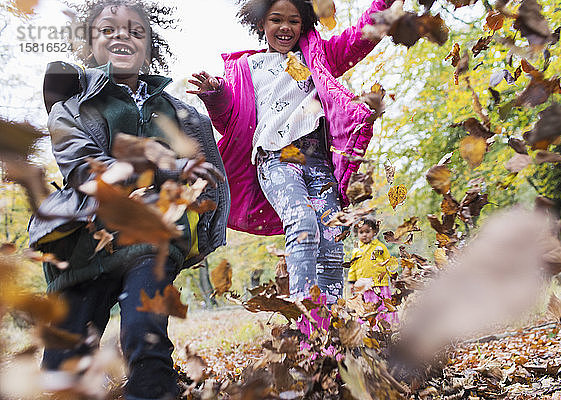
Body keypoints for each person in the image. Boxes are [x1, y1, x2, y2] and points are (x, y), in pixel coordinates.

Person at [27, 1, 230, 399]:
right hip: (83, 243)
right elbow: (88, 170)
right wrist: (170, 167)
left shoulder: (179, 113)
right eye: (108, 29)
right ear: (89, 44)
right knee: (64, 363)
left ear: (151, 47)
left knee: (145, 331)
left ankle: (152, 388)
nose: (123, 35)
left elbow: (210, 173)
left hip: (150, 238)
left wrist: (201, 229)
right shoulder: (70, 108)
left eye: (137, 31)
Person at [188, 0, 396, 304]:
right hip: (276, 160)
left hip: (318, 162)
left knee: (331, 237)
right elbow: (228, 116)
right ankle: (304, 314)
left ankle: (328, 326)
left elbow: (360, 37)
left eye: (294, 21)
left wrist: (386, 4)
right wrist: (214, 93)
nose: (285, 27)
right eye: (276, 19)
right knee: (302, 222)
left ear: (304, 24)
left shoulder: (317, 57)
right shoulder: (247, 69)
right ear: (261, 24)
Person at [347, 217, 398, 325]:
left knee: (382, 305)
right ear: (357, 233)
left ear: (374, 232)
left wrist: (393, 276)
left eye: (367, 231)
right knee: (365, 307)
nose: (364, 235)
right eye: (361, 232)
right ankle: (366, 328)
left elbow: (389, 263)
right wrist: (351, 282)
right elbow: (353, 267)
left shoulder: (380, 247)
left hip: (379, 284)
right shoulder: (357, 250)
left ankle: (386, 325)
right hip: (363, 286)